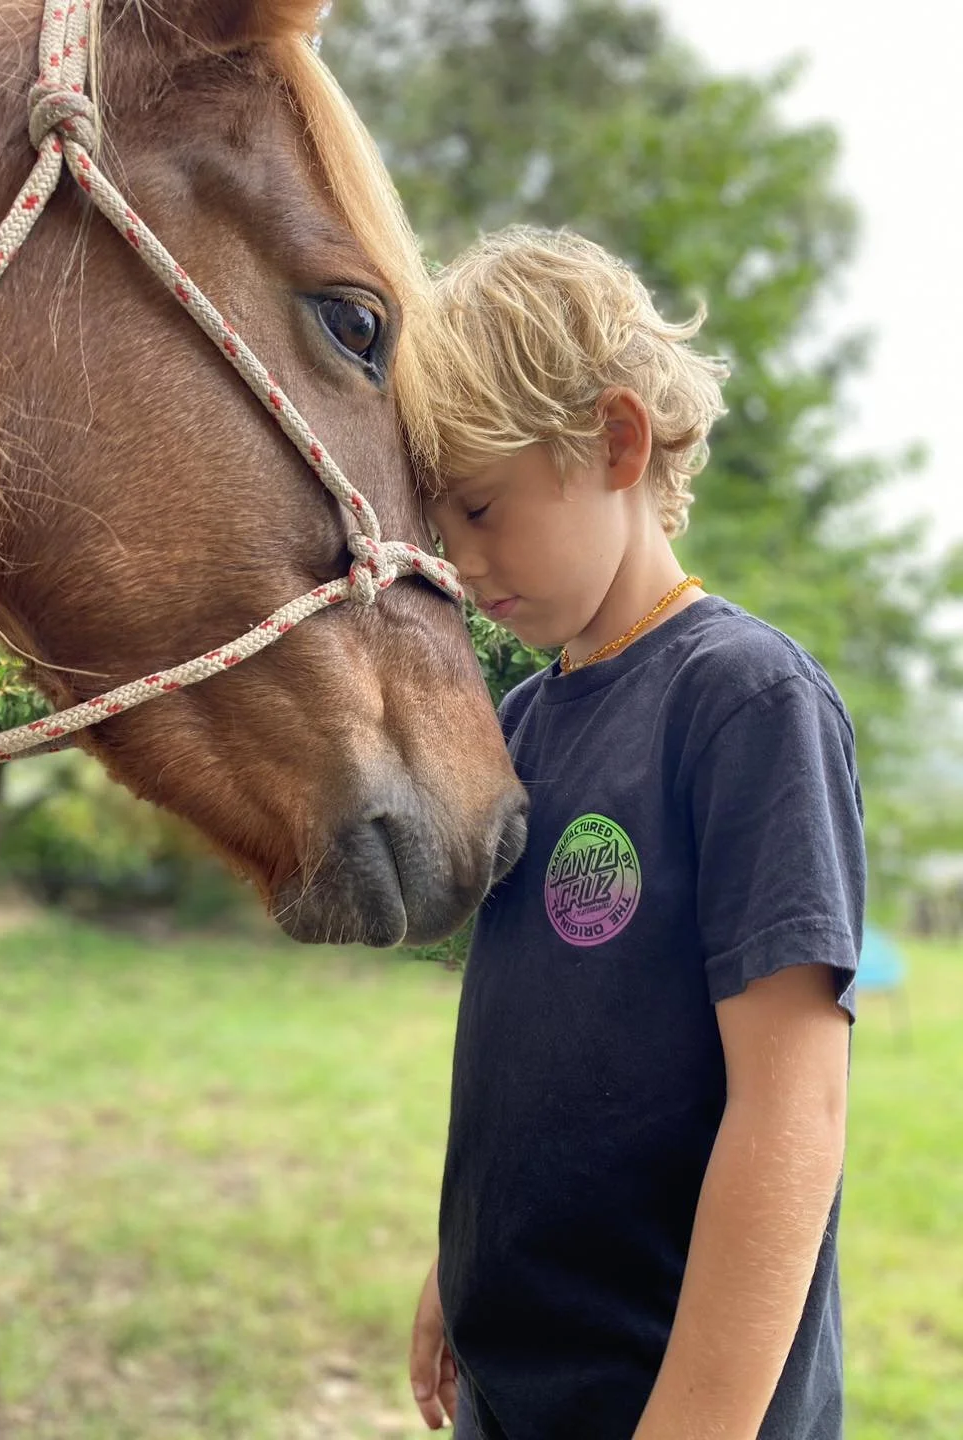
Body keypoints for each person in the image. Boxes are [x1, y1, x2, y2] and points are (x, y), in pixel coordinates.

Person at [408, 227, 864, 1440]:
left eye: (481, 506)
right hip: (517, 1388)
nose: (457, 562)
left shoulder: (745, 699)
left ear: (615, 441)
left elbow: (794, 1111)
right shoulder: (522, 719)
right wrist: (457, 1269)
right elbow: (524, 1054)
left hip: (664, 1399)